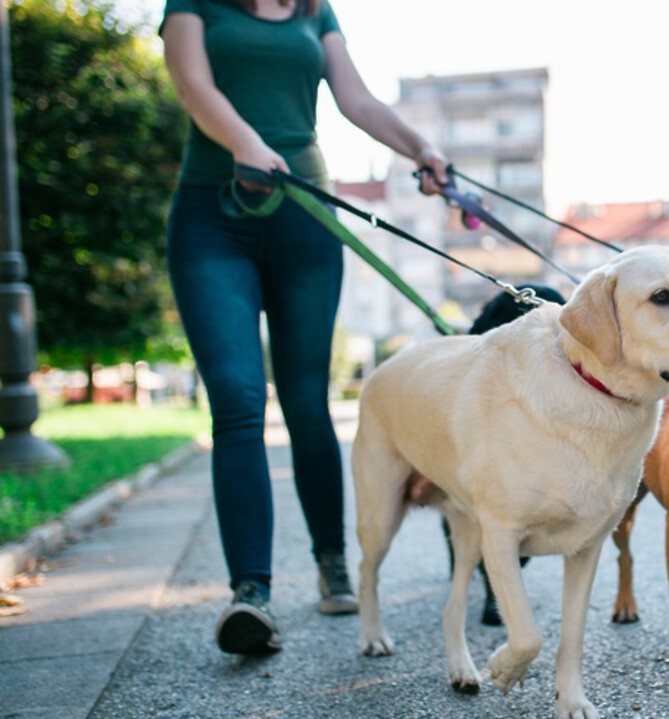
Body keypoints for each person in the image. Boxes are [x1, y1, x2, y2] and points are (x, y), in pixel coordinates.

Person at [159, 0, 449, 655]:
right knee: (236, 397)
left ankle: (332, 561)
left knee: (306, 402)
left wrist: (421, 147)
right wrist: (246, 144)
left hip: (305, 215)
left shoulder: (315, 12)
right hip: (216, 213)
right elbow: (191, 84)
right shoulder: (194, 3)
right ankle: (250, 594)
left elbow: (357, 100)